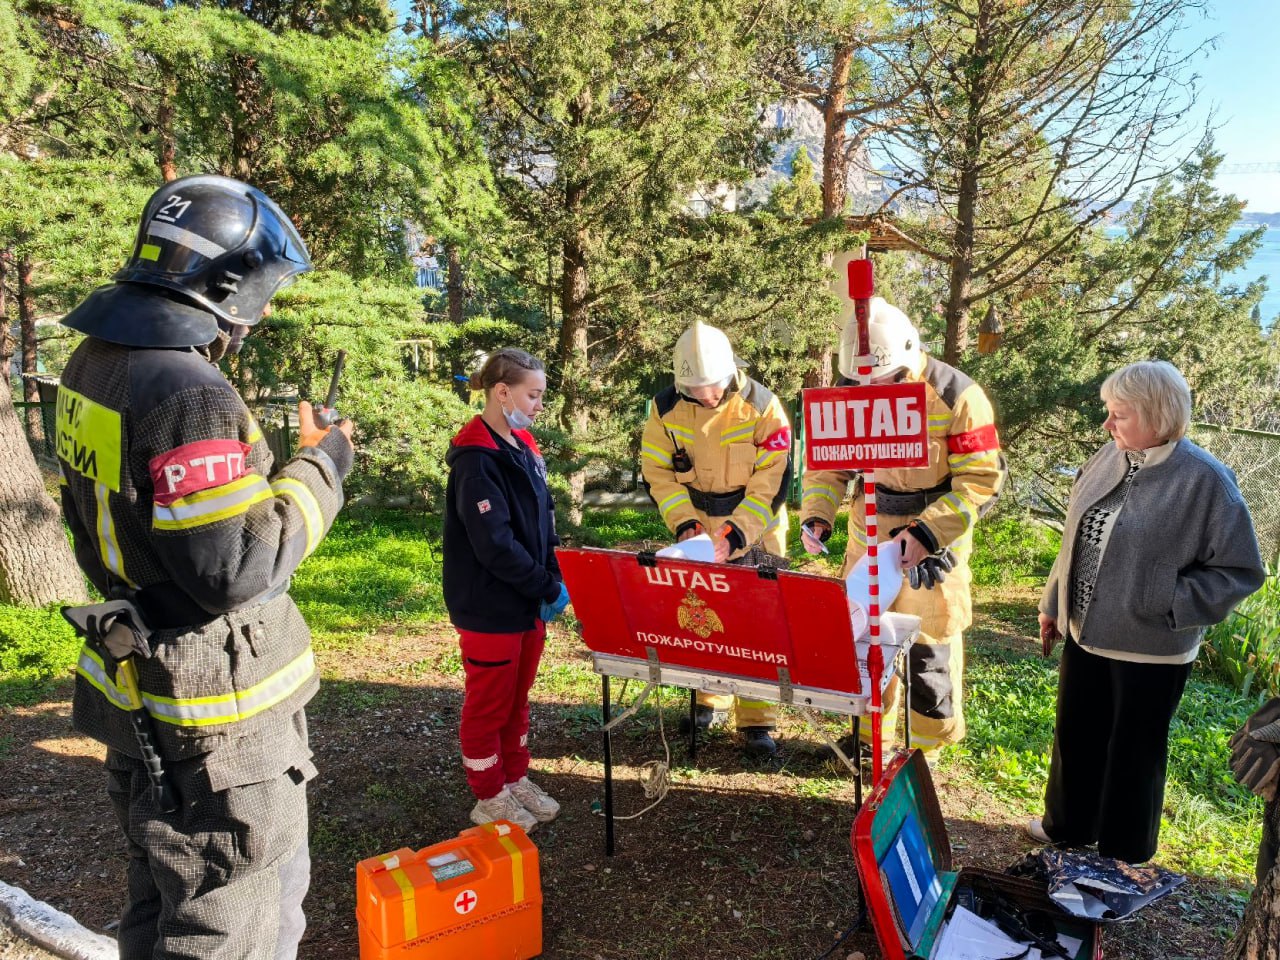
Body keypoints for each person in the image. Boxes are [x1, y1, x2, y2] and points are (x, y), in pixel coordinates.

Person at [56, 175, 355, 960]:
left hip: (138, 689)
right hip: (215, 723)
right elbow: (237, 567)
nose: (263, 312)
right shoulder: (190, 392)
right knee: (234, 921)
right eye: (263, 293)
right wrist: (322, 466)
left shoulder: (94, 361)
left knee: (157, 908)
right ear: (226, 285)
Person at [1032, 360, 1265, 863]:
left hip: (1151, 648)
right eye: (1108, 413)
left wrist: (1170, 601)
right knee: (1075, 735)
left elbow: (1241, 570)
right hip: (1084, 632)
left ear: (1158, 416)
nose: (1107, 425)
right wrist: (1053, 603)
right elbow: (1075, 539)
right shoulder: (1108, 456)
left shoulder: (1206, 482)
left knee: (1133, 754)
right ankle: (1068, 827)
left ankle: (1124, 852)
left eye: (1119, 414)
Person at [801, 297, 1005, 755]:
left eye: (888, 380)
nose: (875, 389)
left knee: (930, 639)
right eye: (864, 380)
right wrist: (818, 513)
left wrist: (930, 533)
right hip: (868, 532)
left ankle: (924, 749)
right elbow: (826, 468)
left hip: (933, 533)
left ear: (909, 355)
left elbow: (982, 478)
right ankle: (868, 738)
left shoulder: (957, 394)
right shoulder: (848, 386)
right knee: (868, 636)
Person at [639, 320, 793, 757]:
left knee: (759, 621)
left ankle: (758, 720)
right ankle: (708, 699)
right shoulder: (664, 407)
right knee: (703, 614)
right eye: (696, 390)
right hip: (698, 523)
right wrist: (685, 524)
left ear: (731, 372)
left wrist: (738, 532)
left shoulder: (763, 406)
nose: (706, 397)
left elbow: (772, 480)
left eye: (713, 388)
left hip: (756, 520)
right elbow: (657, 472)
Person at [443, 348, 569, 833]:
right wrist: (544, 584)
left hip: (527, 602)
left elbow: (543, 521)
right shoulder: (477, 461)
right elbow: (495, 545)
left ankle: (513, 777)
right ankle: (488, 794)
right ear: (502, 392)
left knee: (518, 701)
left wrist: (553, 576)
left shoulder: (524, 448)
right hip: (490, 605)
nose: (538, 405)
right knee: (489, 704)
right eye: (532, 395)